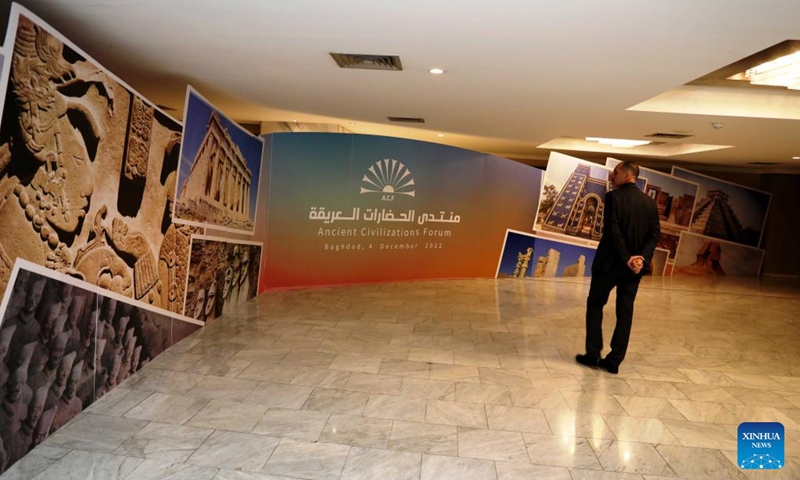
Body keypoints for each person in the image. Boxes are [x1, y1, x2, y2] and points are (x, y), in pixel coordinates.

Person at [576, 161, 660, 374]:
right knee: (625, 311)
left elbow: (612, 230)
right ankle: (614, 361)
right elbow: (654, 235)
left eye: (615, 172)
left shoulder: (614, 198)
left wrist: (627, 258)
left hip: (609, 265)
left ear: (627, 176)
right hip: (633, 269)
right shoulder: (650, 203)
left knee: (595, 305)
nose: (612, 176)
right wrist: (640, 259)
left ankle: (593, 354)